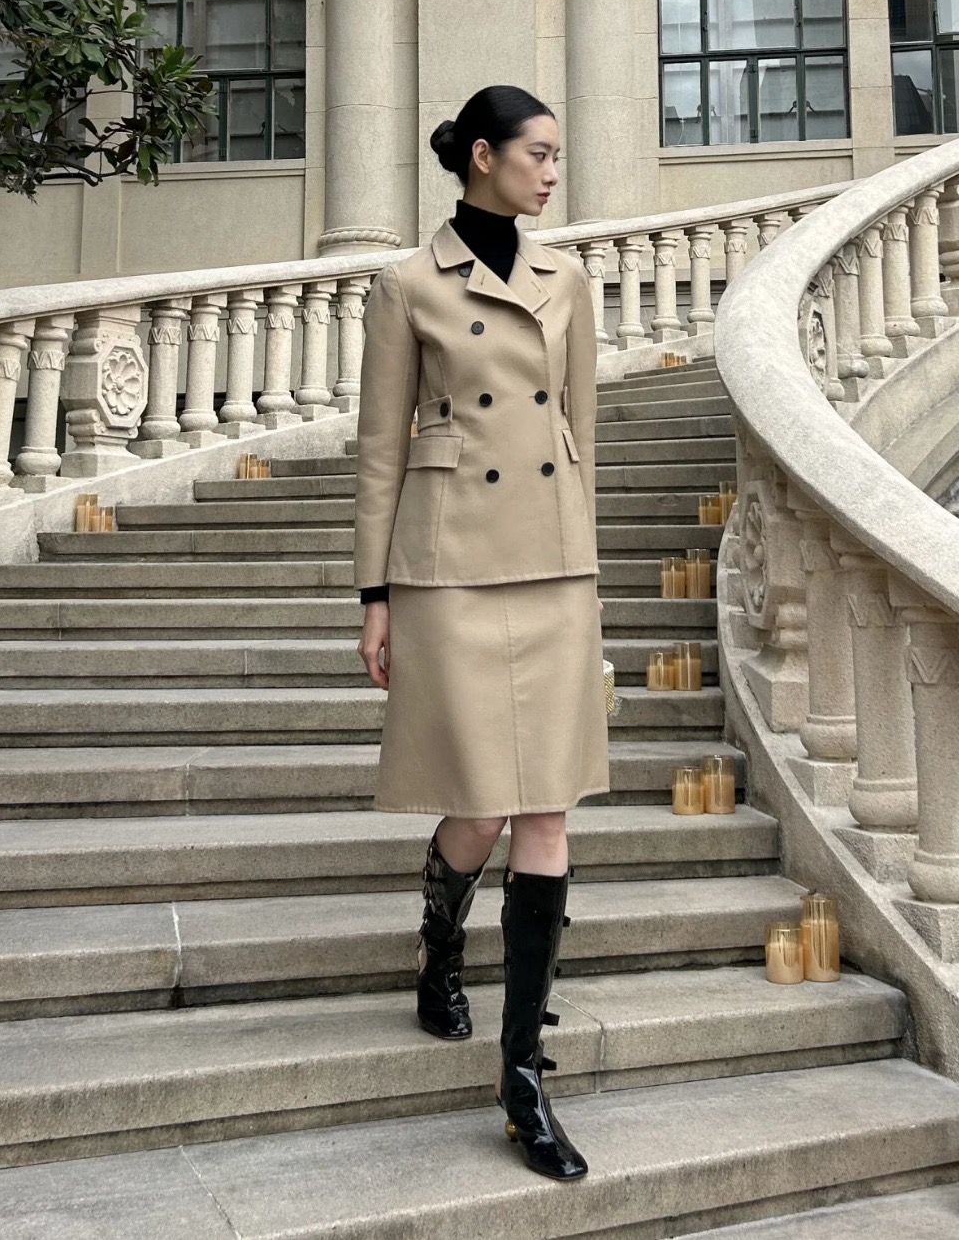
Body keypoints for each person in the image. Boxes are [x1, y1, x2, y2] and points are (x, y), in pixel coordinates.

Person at [354, 84, 608, 1181]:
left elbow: (583, 431)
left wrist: (589, 573)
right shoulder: (407, 284)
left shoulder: (567, 280)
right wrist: (375, 595)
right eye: (537, 153)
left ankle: (523, 1080)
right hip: (450, 561)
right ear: (482, 158)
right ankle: (441, 939)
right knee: (482, 803)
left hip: (551, 561)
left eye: (556, 155)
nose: (551, 172)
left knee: (546, 805)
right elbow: (379, 447)